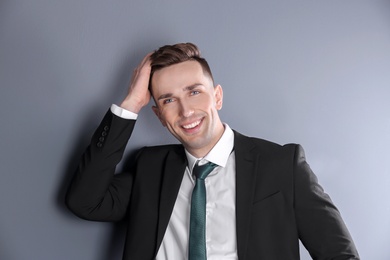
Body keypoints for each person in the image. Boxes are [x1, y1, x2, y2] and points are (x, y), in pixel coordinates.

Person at [66, 43, 359, 259]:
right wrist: (130, 104)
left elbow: (339, 254)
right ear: (158, 115)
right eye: (169, 100)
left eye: (195, 92)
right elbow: (85, 202)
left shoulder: (281, 165)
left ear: (217, 96)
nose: (185, 111)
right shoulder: (150, 168)